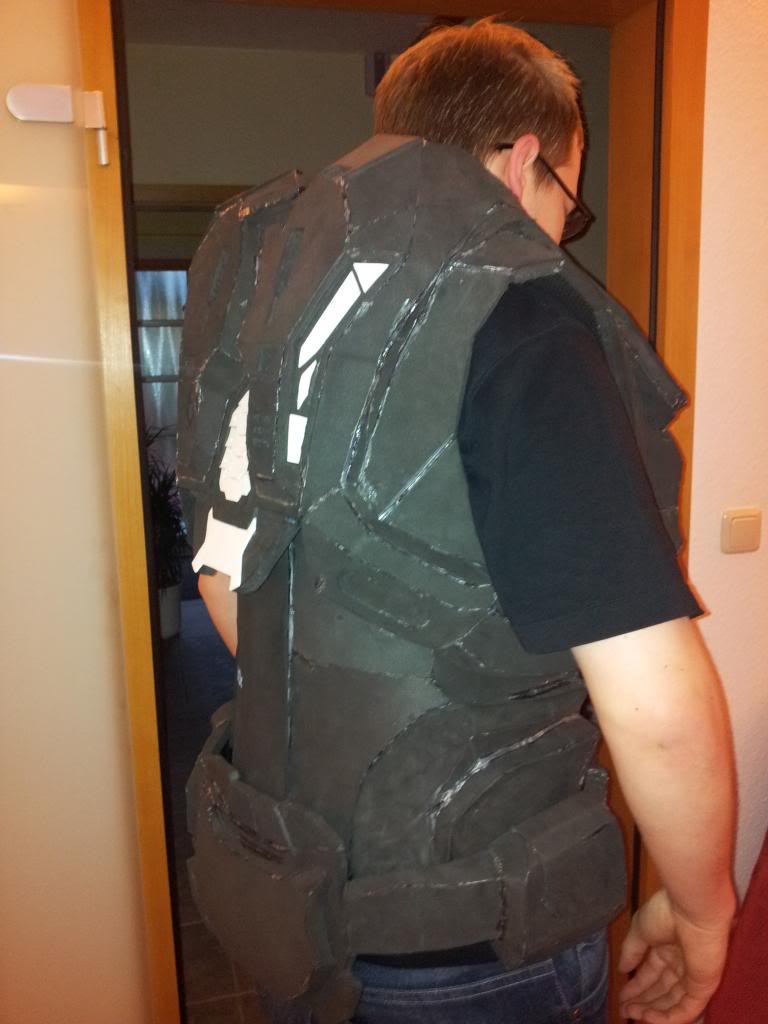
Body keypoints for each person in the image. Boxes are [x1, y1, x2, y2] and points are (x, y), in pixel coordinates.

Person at [180, 19, 736, 1024]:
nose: (561, 234)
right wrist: (703, 908)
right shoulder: (521, 312)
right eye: (570, 202)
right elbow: (652, 695)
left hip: (295, 897)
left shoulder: (271, 292)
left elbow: (229, 588)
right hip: (473, 938)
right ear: (526, 161)